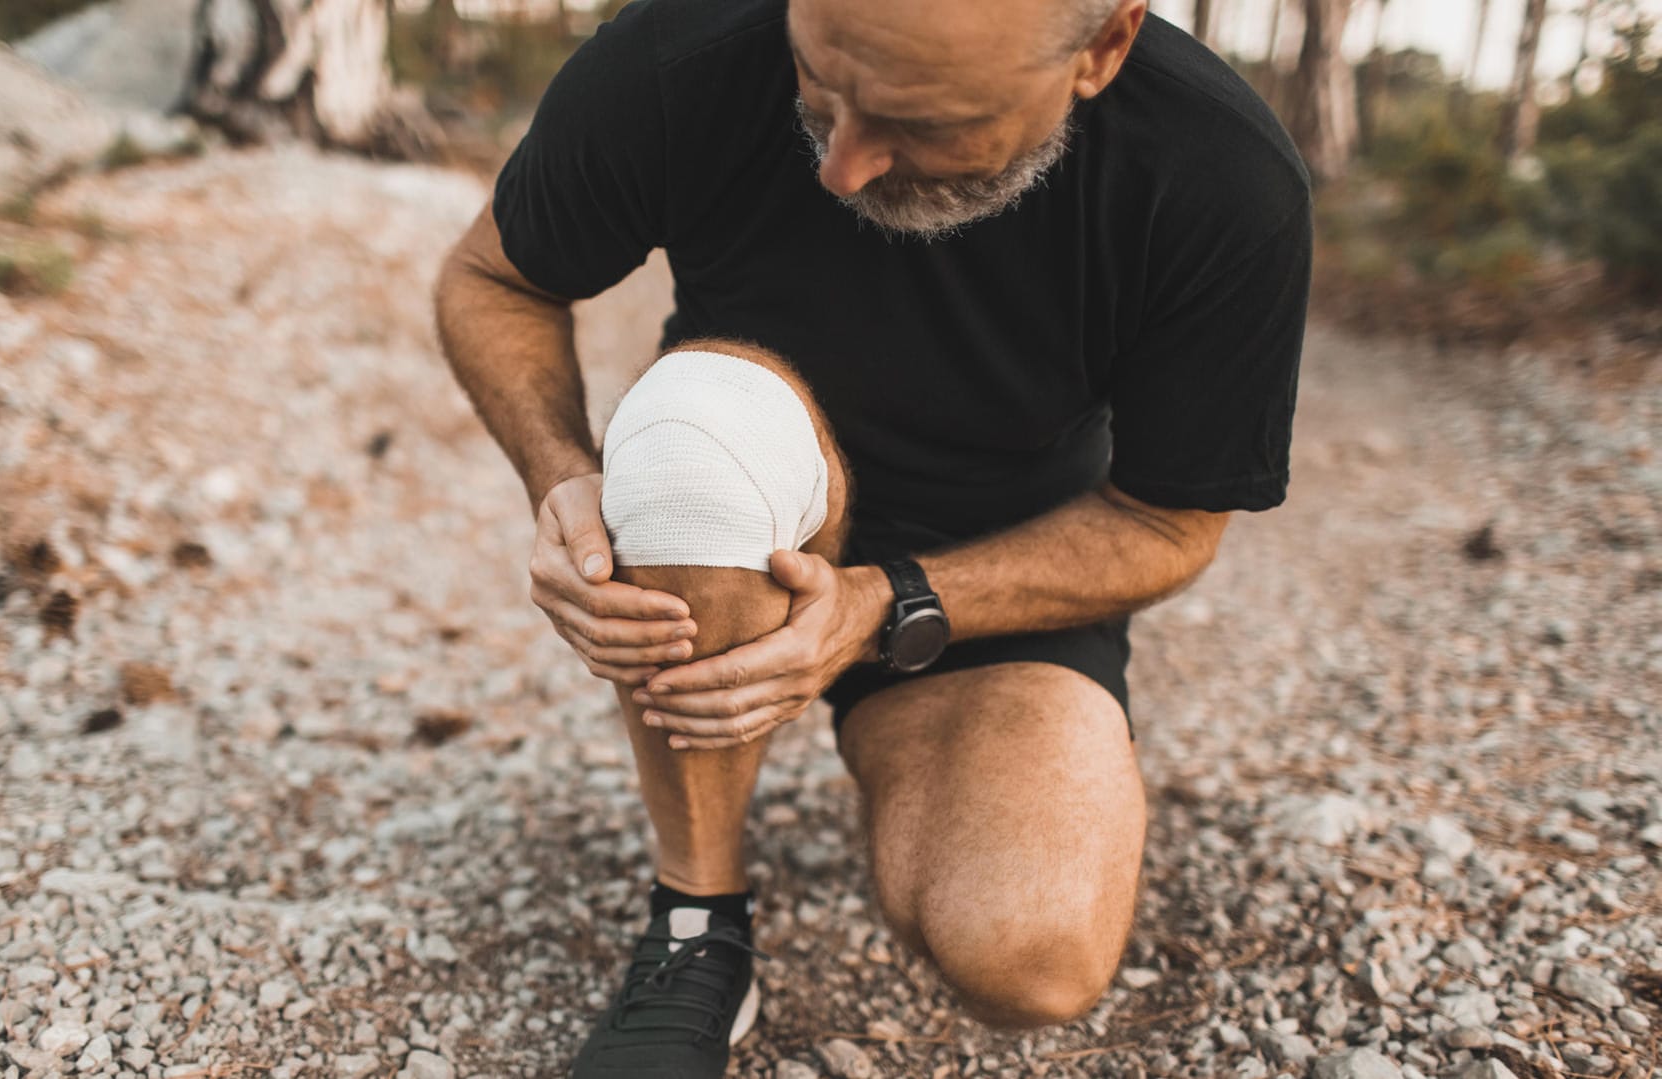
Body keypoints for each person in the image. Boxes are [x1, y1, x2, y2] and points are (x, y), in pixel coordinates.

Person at [433, 0, 1313, 1073]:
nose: (842, 165)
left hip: (991, 560)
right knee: (689, 449)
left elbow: (1165, 523)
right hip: (748, 486)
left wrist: (875, 605)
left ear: (1101, 49)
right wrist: (564, 476)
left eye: (921, 121)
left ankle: (905, 747)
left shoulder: (1220, 174)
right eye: (819, 84)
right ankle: (696, 916)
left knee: (1030, 952)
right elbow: (494, 278)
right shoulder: (682, 49)